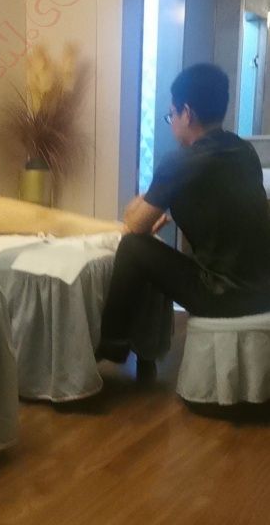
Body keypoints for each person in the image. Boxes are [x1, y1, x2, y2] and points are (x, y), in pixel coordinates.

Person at [99, 62, 270, 364]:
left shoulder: (181, 162)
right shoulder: (245, 152)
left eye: (171, 115)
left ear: (187, 113)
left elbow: (134, 225)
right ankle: (143, 348)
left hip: (221, 296)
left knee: (134, 248)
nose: (172, 122)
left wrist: (143, 206)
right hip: (262, 290)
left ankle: (113, 343)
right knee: (154, 250)